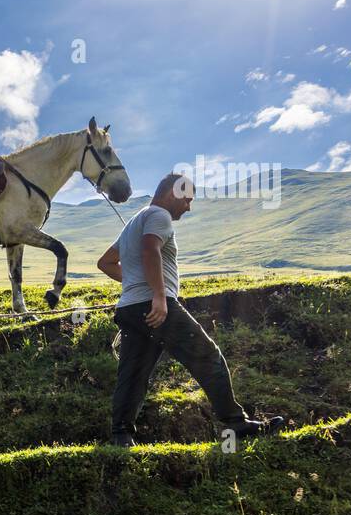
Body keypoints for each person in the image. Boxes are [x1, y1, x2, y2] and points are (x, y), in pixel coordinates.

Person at [96, 172, 283, 447]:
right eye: (188, 200)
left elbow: (106, 263)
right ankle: (236, 422)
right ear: (174, 193)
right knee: (207, 355)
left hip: (131, 308)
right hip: (156, 306)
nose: (189, 207)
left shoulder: (135, 221)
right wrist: (158, 295)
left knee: (133, 374)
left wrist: (138, 282)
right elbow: (150, 250)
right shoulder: (159, 215)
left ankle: (121, 436)